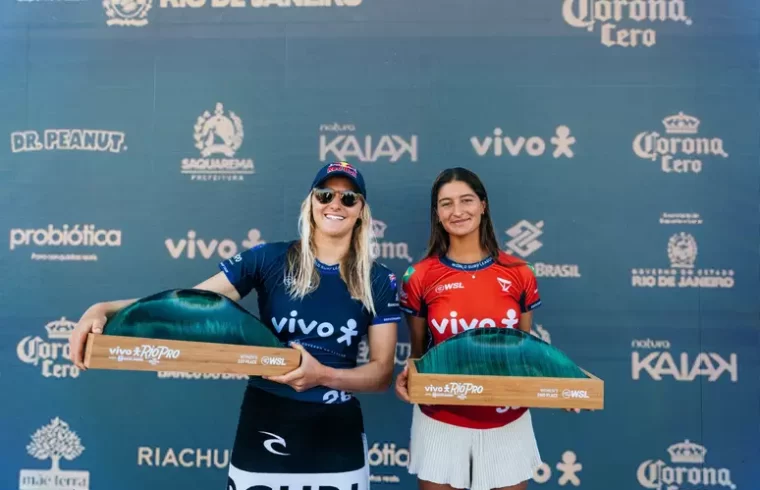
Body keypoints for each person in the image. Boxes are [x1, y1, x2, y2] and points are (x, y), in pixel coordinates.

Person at [69, 161, 402, 490]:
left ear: (361, 210)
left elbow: (381, 374)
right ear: (311, 202)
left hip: (336, 432)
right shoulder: (269, 258)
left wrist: (323, 375)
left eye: (348, 198)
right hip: (267, 420)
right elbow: (189, 305)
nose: (335, 204)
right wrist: (105, 309)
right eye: (325, 194)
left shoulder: (379, 279)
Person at [394, 167, 572, 490]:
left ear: (483, 205)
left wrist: (562, 386)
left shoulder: (520, 272)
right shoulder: (419, 276)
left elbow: (524, 351)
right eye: (446, 203)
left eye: (466, 200)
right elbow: (419, 354)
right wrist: (410, 376)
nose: (457, 211)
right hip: (441, 419)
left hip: (506, 418)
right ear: (437, 213)